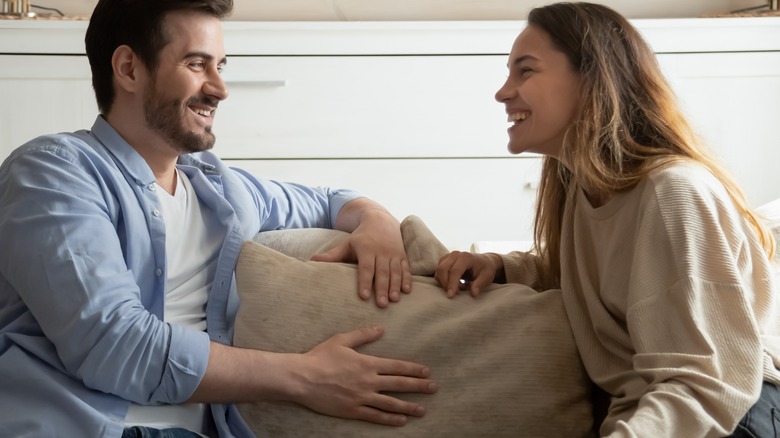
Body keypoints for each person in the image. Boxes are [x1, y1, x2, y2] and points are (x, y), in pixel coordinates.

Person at [0, 0, 438, 436]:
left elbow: (330, 200)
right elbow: (114, 346)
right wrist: (304, 377)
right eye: (197, 64)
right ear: (129, 69)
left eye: (220, 66)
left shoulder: (221, 188)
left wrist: (377, 221)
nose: (220, 89)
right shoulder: (54, 172)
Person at [434, 2, 780, 437]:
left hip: (731, 419)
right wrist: (501, 266)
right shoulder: (583, 192)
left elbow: (708, 383)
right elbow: (600, 273)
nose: (503, 93)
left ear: (592, 78)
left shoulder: (673, 193)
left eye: (526, 71)